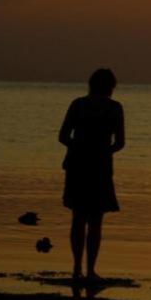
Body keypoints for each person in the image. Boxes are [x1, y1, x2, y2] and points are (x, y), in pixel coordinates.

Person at [58, 68, 124, 283]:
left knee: (78, 218)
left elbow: (63, 136)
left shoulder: (78, 104)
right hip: (100, 168)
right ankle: (90, 270)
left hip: (77, 165)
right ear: (110, 87)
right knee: (95, 221)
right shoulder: (114, 108)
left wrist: (78, 147)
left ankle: (77, 267)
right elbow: (120, 142)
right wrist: (104, 151)